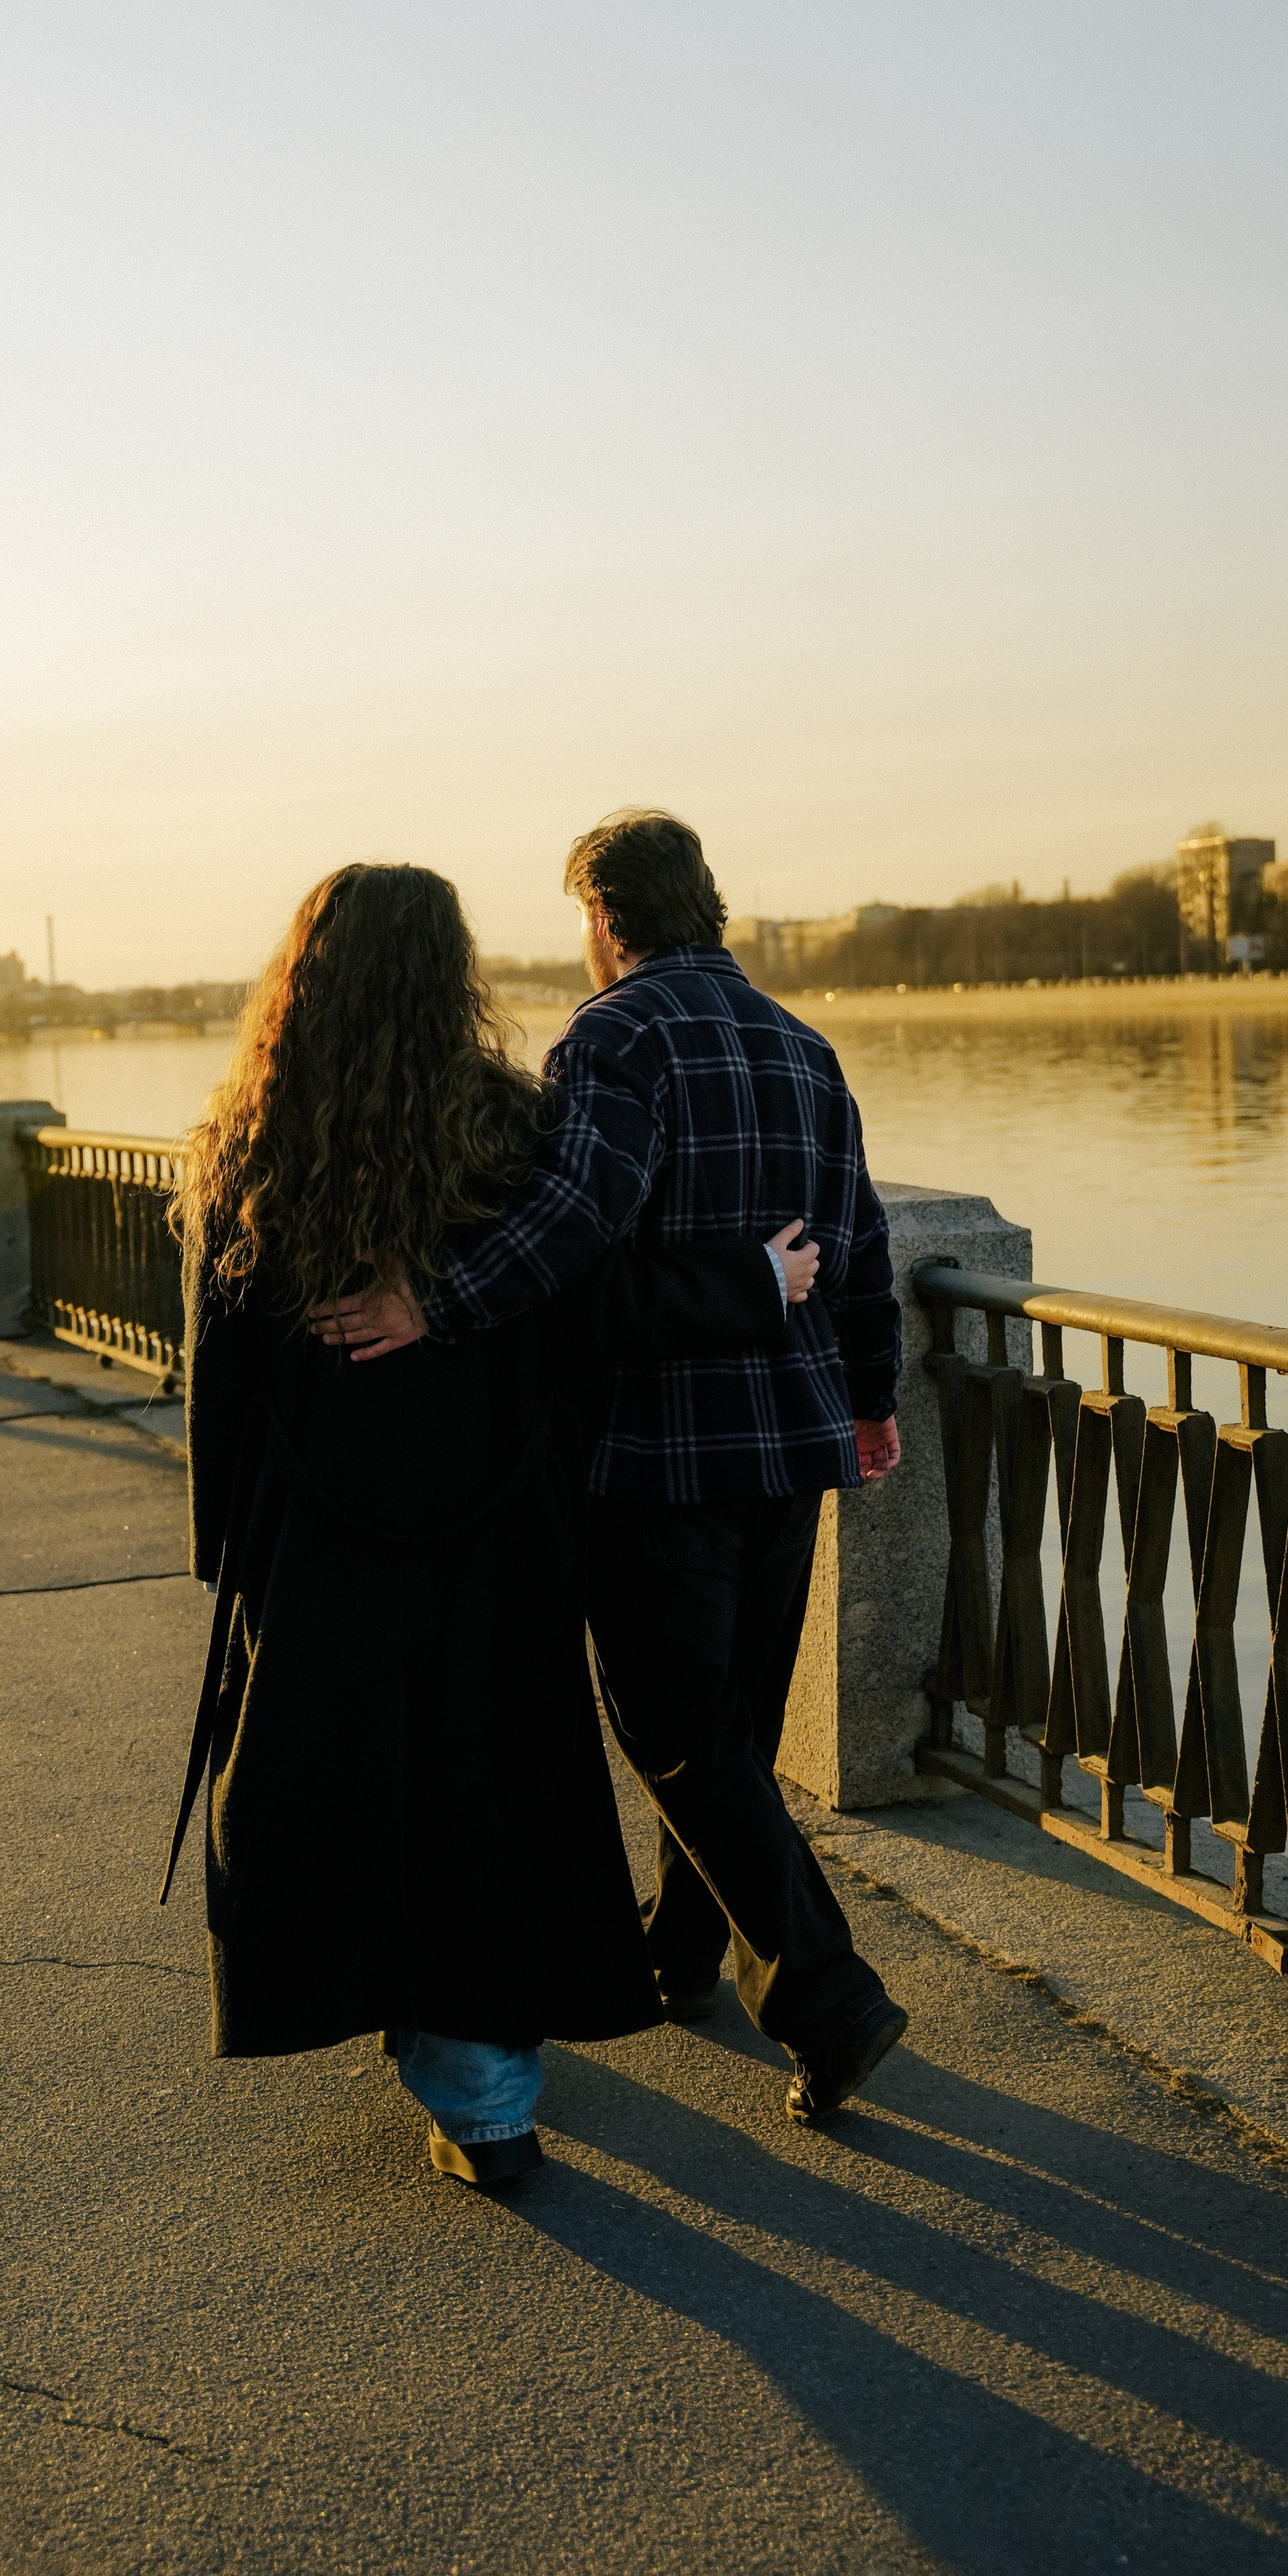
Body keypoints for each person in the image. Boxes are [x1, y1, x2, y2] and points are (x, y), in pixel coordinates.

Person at [160, 860, 822, 2191]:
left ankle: (431, 2046)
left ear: (305, 977)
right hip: (501, 1527)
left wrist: (228, 1549)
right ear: (452, 973)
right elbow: (587, 1305)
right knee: (489, 1790)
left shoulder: (249, 1140)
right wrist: (753, 1287)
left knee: (351, 1793)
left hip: (321, 1537)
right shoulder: (510, 1127)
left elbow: (217, 1378)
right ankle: (489, 2090)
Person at [319, 810, 907, 2127]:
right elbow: (860, 1244)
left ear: (602, 915)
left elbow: (576, 1222)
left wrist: (439, 1302)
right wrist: (873, 1400)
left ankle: (829, 1994)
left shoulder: (616, 1037)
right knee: (732, 1725)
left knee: (672, 1727)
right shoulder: (806, 1046)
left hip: (661, 1454)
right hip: (792, 1449)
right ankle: (685, 1956)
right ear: (708, 904)